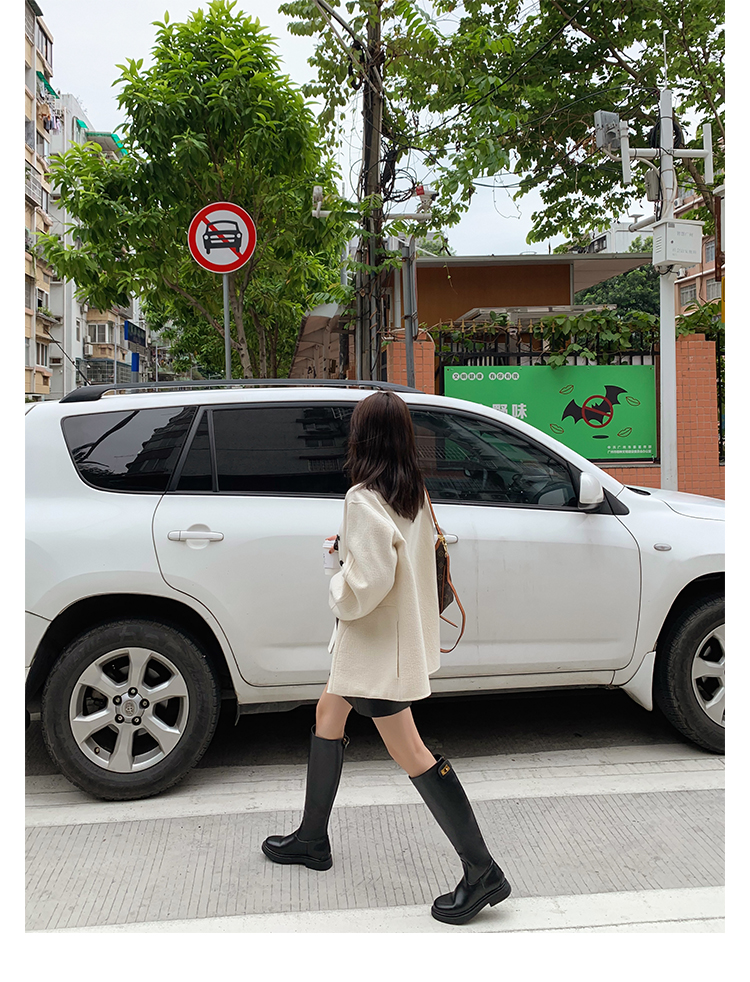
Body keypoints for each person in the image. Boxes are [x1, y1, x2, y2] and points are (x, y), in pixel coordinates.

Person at [262, 390, 511, 925]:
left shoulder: (362, 498)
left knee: (413, 752)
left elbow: (368, 583)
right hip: (384, 645)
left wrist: (336, 574)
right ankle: (311, 838)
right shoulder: (411, 491)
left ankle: (482, 871)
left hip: (376, 651)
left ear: (363, 437)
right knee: (327, 715)